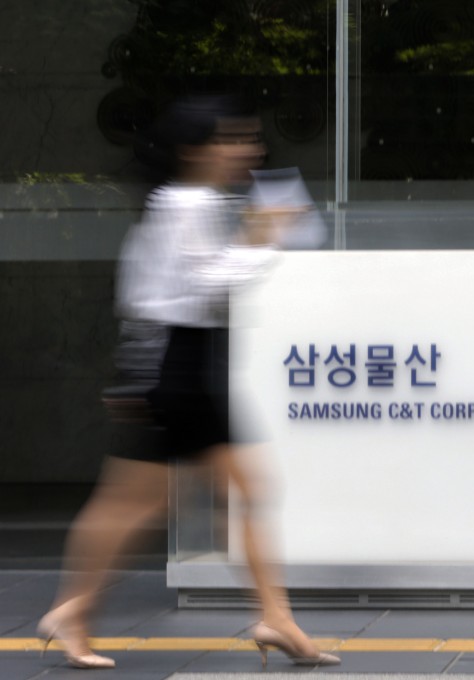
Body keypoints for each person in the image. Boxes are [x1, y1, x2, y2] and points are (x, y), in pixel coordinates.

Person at [37, 96, 339, 670]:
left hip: (181, 362)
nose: (247, 149)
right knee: (141, 503)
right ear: (193, 150)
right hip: (176, 365)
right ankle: (74, 610)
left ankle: (276, 618)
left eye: (248, 138)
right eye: (232, 139)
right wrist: (262, 240)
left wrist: (252, 238)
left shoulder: (183, 203)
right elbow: (204, 283)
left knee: (182, 498)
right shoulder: (186, 203)